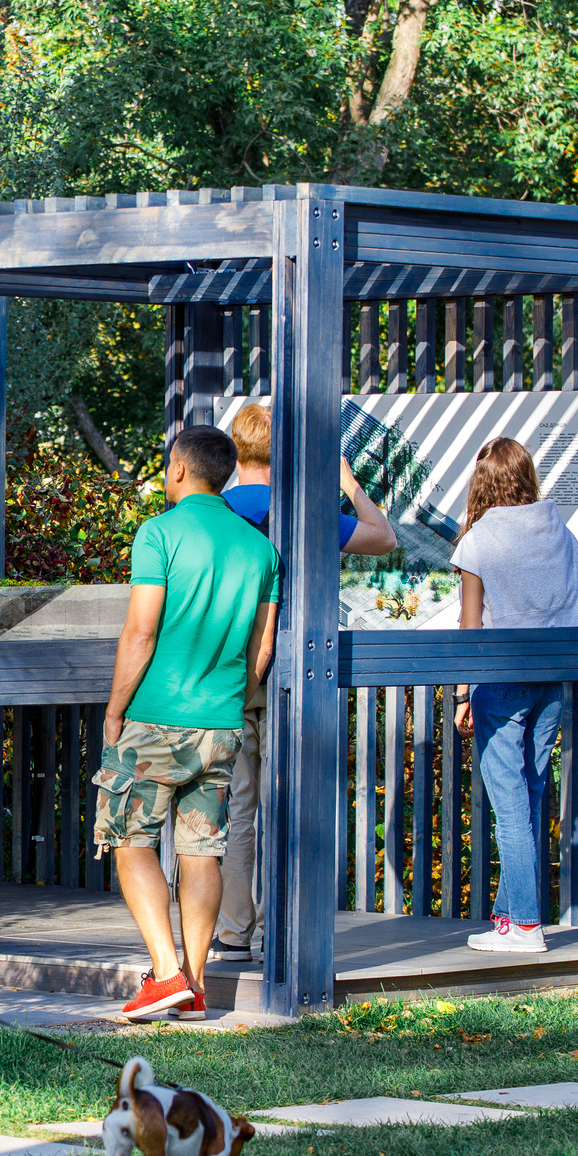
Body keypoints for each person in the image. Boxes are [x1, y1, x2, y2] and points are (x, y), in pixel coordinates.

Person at [97, 423, 281, 1023]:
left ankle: (167, 974)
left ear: (177, 469)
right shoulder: (261, 548)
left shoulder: (158, 534)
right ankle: (194, 985)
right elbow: (261, 649)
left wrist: (115, 709)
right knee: (203, 852)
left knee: (130, 841)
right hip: (222, 722)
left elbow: (141, 631)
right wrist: (231, 702)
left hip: (154, 717)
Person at [451, 438, 578, 955]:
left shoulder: (478, 540)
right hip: (554, 681)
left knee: (509, 804)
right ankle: (508, 918)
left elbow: (471, 627)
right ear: (526, 476)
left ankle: (524, 926)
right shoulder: (560, 533)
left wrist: (460, 694)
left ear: (484, 481)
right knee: (530, 797)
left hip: (499, 680)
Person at [210, 401, 399, 966]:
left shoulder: (214, 511)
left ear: (234, 450)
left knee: (238, 807)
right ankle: (280, 930)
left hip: (231, 674)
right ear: (287, 452)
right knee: (288, 805)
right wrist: (343, 478)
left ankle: (234, 932)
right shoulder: (307, 511)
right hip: (294, 674)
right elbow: (383, 536)